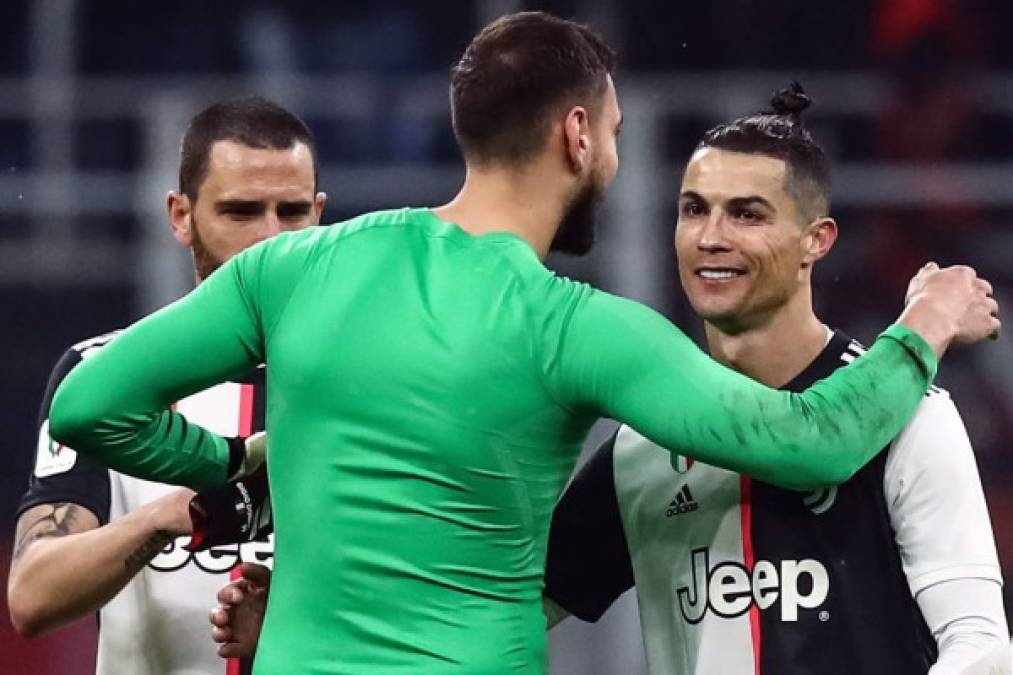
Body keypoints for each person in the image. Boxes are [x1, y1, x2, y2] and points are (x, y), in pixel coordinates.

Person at [46, 12, 998, 675]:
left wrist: (231, 462)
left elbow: (86, 406)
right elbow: (809, 441)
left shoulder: (300, 267)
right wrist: (925, 323)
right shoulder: (571, 326)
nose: (618, 161)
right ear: (576, 135)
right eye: (617, 134)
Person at [542, 86, 1010, 674]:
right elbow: (508, 604)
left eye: (746, 213)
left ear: (816, 240)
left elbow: (981, 645)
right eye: (693, 208)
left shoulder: (913, 416)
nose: (712, 236)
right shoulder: (642, 449)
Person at [7, 96, 326, 675]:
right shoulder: (105, 378)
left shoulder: (373, 379)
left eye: (292, 212)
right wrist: (161, 519)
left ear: (320, 215)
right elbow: (33, 597)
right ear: (181, 215)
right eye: (242, 211)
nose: (273, 240)